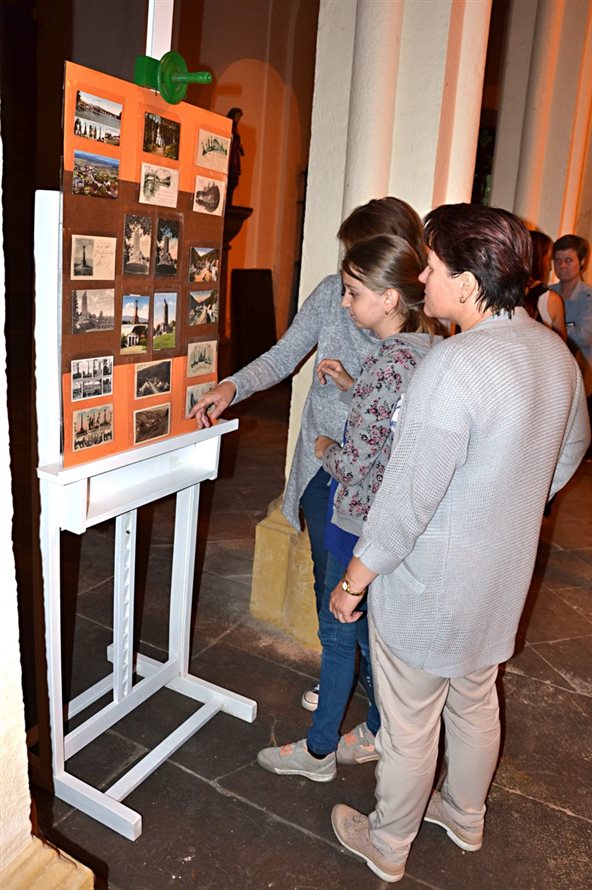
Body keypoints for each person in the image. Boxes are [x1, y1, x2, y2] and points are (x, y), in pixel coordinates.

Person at [327, 204, 590, 884]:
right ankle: (465, 815)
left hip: (431, 585)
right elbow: (572, 447)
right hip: (502, 573)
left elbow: (406, 498)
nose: (422, 278)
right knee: (475, 698)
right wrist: (514, 500)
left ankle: (388, 843)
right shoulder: (553, 353)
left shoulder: (453, 364)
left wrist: (355, 580)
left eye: (434, 268)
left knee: (410, 721)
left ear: (469, 283)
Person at [190, 197, 427, 712]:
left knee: (377, 589)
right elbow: (283, 355)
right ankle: (341, 675)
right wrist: (232, 386)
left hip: (380, 476)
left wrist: (351, 385)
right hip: (325, 469)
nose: (347, 284)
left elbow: (408, 406)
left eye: (359, 257)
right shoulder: (330, 295)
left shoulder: (421, 321)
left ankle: (383, 695)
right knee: (330, 579)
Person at [256, 235, 444, 781]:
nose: (343, 302)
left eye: (353, 292)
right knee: (370, 633)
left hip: (355, 520)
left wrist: (323, 449)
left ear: (389, 299)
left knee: (339, 633)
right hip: (388, 524)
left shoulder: (388, 362)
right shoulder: (428, 350)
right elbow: (392, 422)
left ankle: (318, 752)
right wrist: (352, 385)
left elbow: (358, 463)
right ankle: (380, 729)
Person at [549, 234, 592, 404]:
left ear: (582, 262)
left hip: (581, 381)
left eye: (568, 260)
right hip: (550, 381)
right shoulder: (547, 292)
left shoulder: (589, 297)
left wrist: (552, 327)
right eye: (557, 261)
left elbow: (583, 337)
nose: (562, 266)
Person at [524, 230, 566, 338]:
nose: (550, 268)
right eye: (548, 259)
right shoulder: (551, 299)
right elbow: (561, 345)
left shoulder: (502, 292)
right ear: (538, 260)